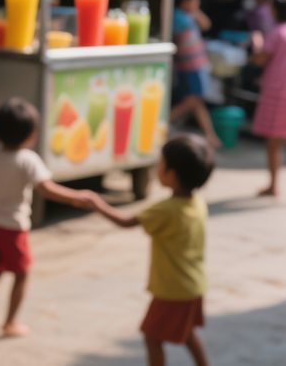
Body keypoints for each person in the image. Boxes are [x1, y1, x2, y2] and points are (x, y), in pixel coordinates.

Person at [0, 98, 93, 337]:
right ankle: (10, 322)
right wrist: (76, 196)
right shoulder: (28, 159)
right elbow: (47, 189)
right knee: (21, 274)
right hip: (14, 228)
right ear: (31, 134)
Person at [86, 135, 214, 366]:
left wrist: (97, 204)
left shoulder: (166, 209)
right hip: (194, 284)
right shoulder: (197, 203)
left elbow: (125, 222)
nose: (157, 168)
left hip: (172, 290)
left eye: (160, 164)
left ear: (172, 174)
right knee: (186, 333)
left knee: (152, 337)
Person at [169, 0, 221, 147]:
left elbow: (207, 24)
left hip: (196, 65)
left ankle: (211, 136)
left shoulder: (187, 15)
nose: (197, 2)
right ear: (185, 0)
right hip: (189, 66)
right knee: (193, 101)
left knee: (197, 102)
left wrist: (194, 10)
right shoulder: (177, 16)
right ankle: (163, 121)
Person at [251, 0, 286, 196]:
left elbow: (261, 59)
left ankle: (273, 185)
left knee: (273, 140)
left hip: (276, 90)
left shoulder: (276, 33)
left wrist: (256, 43)